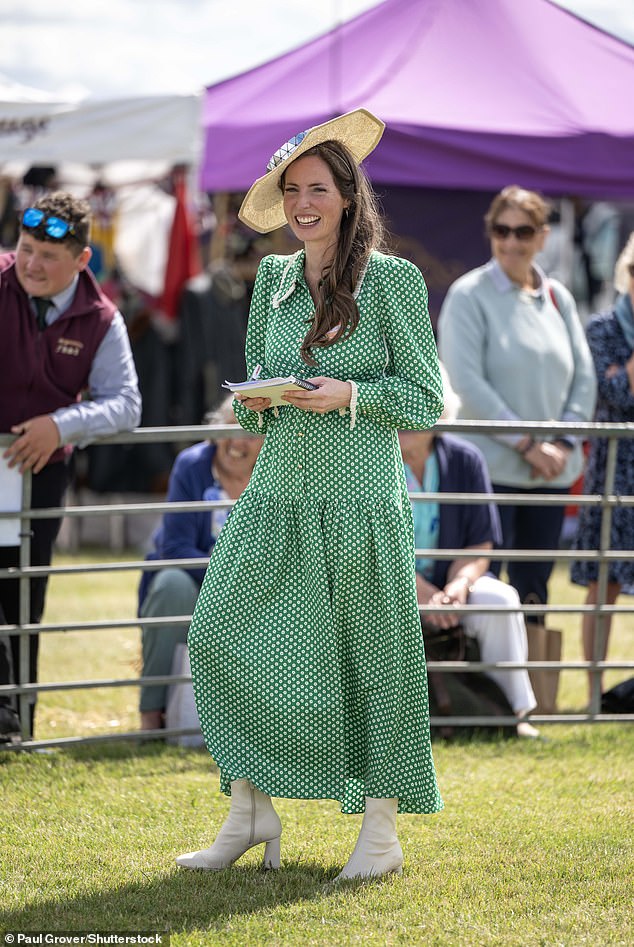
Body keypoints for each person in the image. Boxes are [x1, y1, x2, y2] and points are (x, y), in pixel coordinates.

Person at [177, 108, 444, 880]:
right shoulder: (271, 278)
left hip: (360, 498)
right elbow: (247, 391)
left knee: (374, 662)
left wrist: (349, 395)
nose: (302, 202)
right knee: (220, 632)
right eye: (291, 189)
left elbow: (424, 398)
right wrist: (255, 399)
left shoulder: (392, 280)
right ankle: (251, 808)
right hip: (275, 493)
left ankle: (382, 832)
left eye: (316, 188)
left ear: (348, 195)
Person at [0, 192, 142, 741]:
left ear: (83, 260)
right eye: (25, 248)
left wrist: (60, 425)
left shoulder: (102, 318)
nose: (30, 264)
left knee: (24, 597)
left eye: (48, 256)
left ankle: (19, 724)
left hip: (41, 471)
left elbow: (127, 404)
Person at [438, 185, 596, 621]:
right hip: (489, 474)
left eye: (522, 231)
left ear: (542, 236)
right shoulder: (468, 295)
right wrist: (528, 444)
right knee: (484, 596)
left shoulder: (558, 298)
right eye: (500, 230)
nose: (510, 241)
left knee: (534, 598)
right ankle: (484, 690)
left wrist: (561, 443)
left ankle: (530, 688)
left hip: (549, 474)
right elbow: (466, 383)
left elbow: (584, 377)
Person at [398, 365, 539, 739]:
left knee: (500, 600)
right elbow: (359, 545)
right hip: (385, 585)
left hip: (449, 585)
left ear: (440, 410)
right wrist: (418, 590)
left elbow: (480, 544)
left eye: (421, 407)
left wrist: (458, 587)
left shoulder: (466, 458)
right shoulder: (366, 462)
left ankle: (514, 715)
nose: (408, 419)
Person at [138, 396, 262, 731]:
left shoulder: (274, 477)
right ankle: (151, 714)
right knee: (171, 585)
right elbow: (175, 549)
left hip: (255, 588)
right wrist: (232, 577)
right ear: (214, 431)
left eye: (249, 433)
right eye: (229, 429)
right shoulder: (192, 465)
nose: (237, 442)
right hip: (198, 580)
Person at [571, 232, 634, 702]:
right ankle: (593, 694)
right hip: (613, 469)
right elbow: (614, 394)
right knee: (603, 586)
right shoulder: (603, 326)